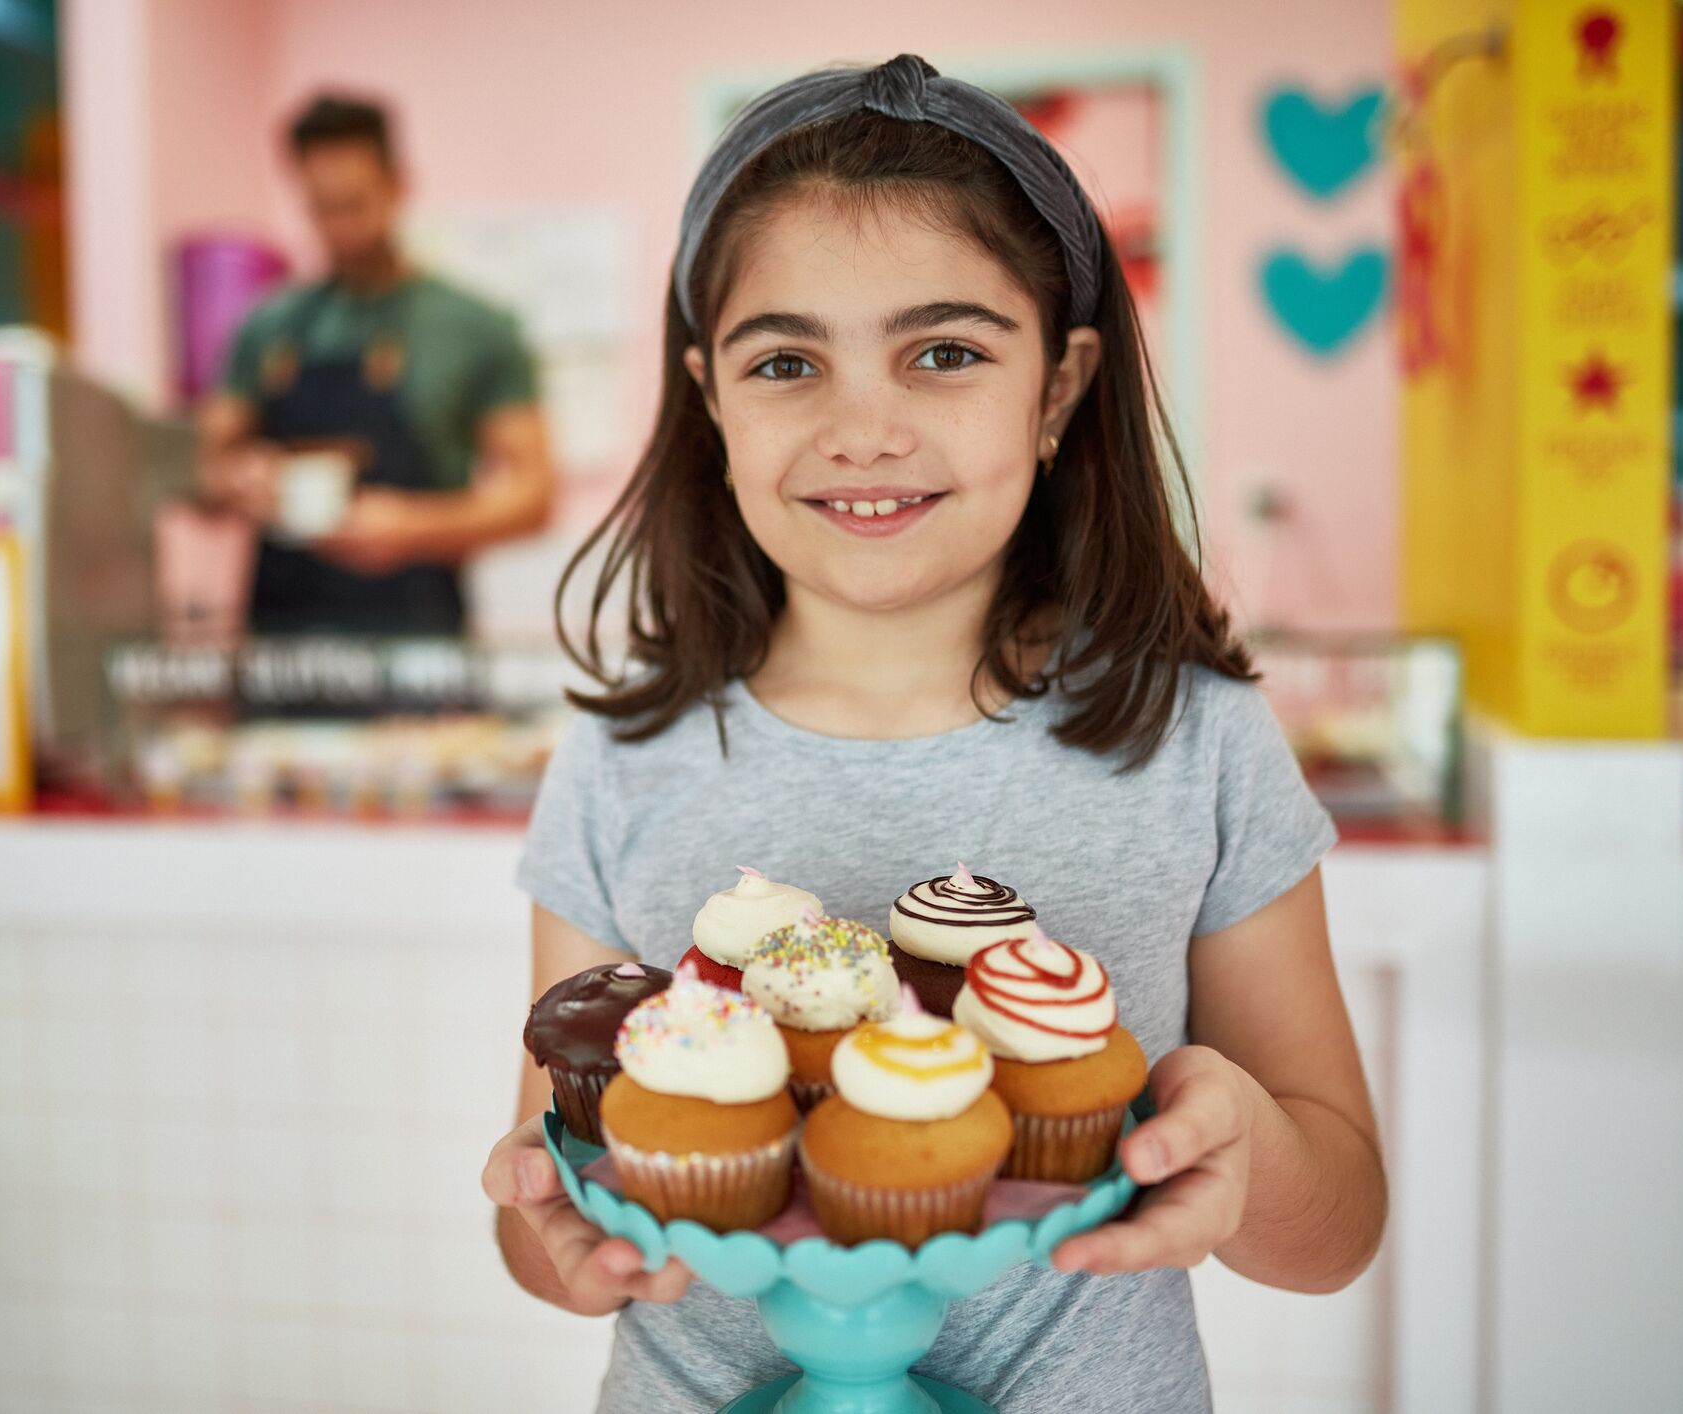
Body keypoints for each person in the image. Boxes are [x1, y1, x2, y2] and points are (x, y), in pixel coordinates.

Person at [479, 55, 1385, 1411]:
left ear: (1062, 384)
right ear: (710, 398)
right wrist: (551, 1237)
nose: (862, 428)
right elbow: (551, 1176)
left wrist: (1247, 1144)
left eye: (945, 352)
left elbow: (1337, 1229)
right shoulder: (623, 757)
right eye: (786, 361)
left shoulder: (1195, 741)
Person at [196, 94, 555, 636]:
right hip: (283, 658)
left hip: (421, 653)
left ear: (398, 185)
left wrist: (413, 527)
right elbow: (200, 471)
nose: (341, 227)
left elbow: (534, 494)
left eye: (355, 203)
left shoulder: (474, 327)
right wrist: (238, 480)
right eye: (321, 207)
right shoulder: (267, 328)